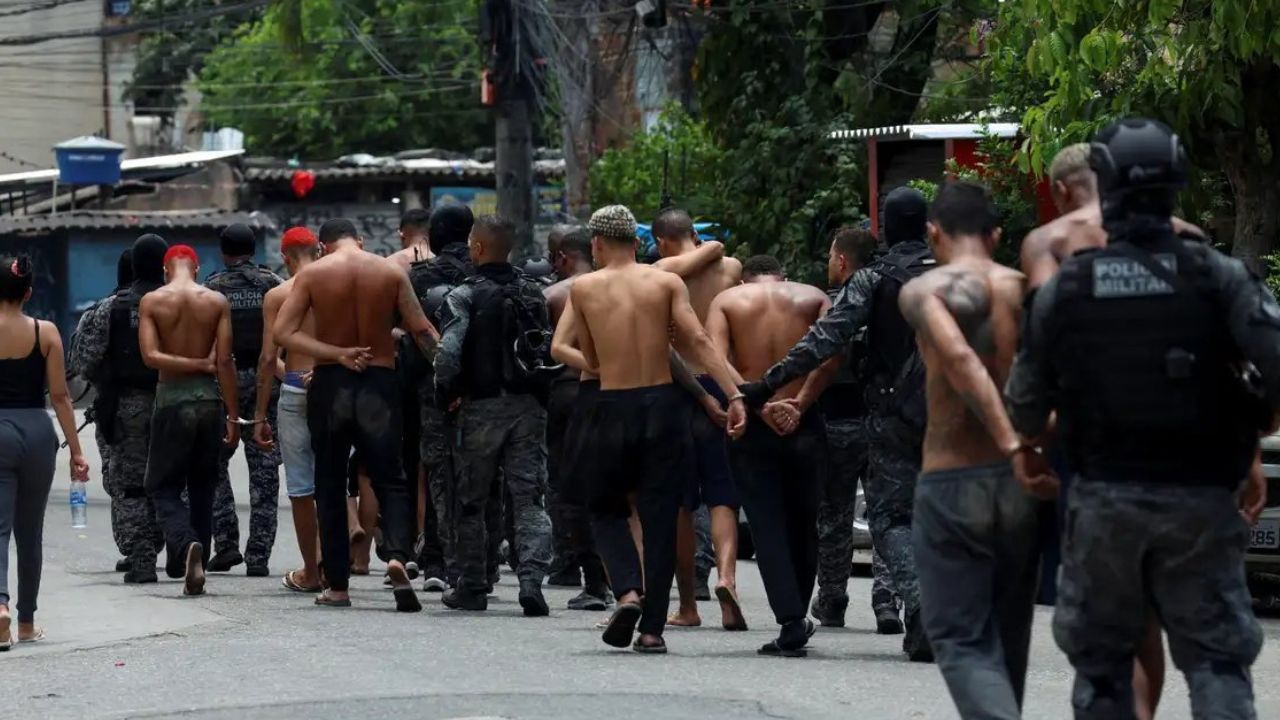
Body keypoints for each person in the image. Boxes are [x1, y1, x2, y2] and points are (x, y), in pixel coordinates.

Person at [1006, 118, 1276, 720]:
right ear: (1177, 183)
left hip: (1103, 498)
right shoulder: (1217, 273)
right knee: (1216, 663)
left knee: (1104, 670)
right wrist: (1251, 425)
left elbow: (1024, 402)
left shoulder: (1066, 285)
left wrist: (1035, 444)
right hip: (1202, 499)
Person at [740, 186, 937, 661]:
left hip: (895, 417)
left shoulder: (873, 279)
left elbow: (826, 339)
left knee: (891, 517)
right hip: (960, 415)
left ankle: (922, 604)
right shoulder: (958, 274)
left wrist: (769, 383)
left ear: (886, 228)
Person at [555, 204, 746, 655]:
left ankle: (627, 593)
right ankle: (653, 630)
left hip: (610, 405)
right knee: (661, 515)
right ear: (636, 242)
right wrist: (735, 394)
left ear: (598, 244)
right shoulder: (665, 282)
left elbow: (592, 358)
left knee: (605, 508)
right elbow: (698, 340)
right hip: (662, 405)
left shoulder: (583, 289)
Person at [895, 181, 1041, 718]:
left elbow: (958, 359)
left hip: (954, 479)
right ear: (997, 235)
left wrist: (1006, 440)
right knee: (1010, 640)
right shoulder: (1026, 289)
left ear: (933, 232)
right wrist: (1032, 446)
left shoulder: (922, 291)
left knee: (960, 638)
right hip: (1021, 486)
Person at [274, 218, 438, 612]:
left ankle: (338, 587)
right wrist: (448, 381)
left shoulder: (314, 275)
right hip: (379, 384)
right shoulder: (389, 271)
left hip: (331, 385)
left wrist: (335, 354)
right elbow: (422, 330)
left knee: (329, 483)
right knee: (391, 478)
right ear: (359, 241)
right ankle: (397, 555)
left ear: (324, 245)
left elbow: (283, 332)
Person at [706, 255, 835, 656]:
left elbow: (716, 358)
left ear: (746, 281)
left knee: (765, 522)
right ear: (785, 277)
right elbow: (832, 353)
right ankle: (798, 611)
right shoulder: (812, 297)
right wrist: (798, 402)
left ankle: (791, 618)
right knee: (804, 519)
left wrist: (755, 403)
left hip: (750, 421)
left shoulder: (728, 302)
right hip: (804, 420)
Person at [433, 215, 556, 615]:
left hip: (480, 410)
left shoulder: (464, 295)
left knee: (471, 499)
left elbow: (448, 352)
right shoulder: (534, 292)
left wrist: (445, 392)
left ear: (479, 248)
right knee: (530, 498)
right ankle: (531, 582)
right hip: (529, 409)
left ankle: (471, 584)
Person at [651, 207, 745, 630]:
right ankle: (727, 577)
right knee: (723, 493)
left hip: (680, 387)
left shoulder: (661, 271)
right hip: (721, 383)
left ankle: (688, 605)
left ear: (662, 240)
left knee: (682, 504)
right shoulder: (731, 268)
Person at [808, 227, 903, 633]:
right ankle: (887, 599)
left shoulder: (837, 305)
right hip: (884, 418)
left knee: (835, 513)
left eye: (831, 256)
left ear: (842, 260)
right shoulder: (891, 303)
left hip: (839, 419)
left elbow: (823, 357)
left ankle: (832, 598)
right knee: (886, 511)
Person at [138, 245, 241, 597]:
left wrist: (190, 364)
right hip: (210, 403)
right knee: (202, 485)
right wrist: (233, 415)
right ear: (196, 268)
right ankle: (195, 561)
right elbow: (224, 361)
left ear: (167, 269)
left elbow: (150, 357)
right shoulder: (215, 302)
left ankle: (185, 547)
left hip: (171, 401)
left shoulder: (153, 301)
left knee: (160, 485)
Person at [0, 254, 90, 649]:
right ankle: (24, 621)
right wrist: (76, 450)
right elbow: (60, 396)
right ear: (29, 292)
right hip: (37, 431)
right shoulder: (46, 332)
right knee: (30, 532)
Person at [407, 203, 496, 592]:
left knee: (438, 476)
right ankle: (486, 565)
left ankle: (438, 562)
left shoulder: (418, 277)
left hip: (433, 393)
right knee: (487, 478)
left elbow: (411, 333)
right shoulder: (487, 274)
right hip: (486, 394)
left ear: (434, 237)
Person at [73, 234, 170, 584]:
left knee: (130, 485)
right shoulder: (184, 303)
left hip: (128, 407)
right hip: (176, 401)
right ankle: (177, 544)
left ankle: (142, 556)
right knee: (173, 480)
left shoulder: (109, 308)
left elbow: (84, 361)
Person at [204, 224, 284, 576]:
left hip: (226, 384)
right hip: (269, 382)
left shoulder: (212, 288)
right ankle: (259, 556)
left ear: (223, 252)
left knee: (215, 465)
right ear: (254, 249)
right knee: (264, 471)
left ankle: (225, 546)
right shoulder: (274, 285)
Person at [251, 227, 324, 593]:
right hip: (332, 388)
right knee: (333, 479)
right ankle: (334, 563)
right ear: (320, 250)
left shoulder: (278, 295)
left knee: (300, 487)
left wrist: (260, 415)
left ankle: (312, 571)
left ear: (284, 257)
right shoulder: (337, 287)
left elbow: (268, 358)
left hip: (294, 387)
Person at [543, 226, 610, 604]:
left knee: (567, 485)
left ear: (564, 258)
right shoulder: (619, 288)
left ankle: (584, 573)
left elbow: (542, 354)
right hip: (621, 388)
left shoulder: (552, 296)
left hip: (568, 391)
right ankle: (624, 574)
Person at [68, 248, 133, 572]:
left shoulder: (101, 310)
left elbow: (80, 362)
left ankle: (136, 547)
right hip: (166, 403)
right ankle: (173, 539)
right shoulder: (171, 304)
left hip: (114, 407)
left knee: (120, 478)